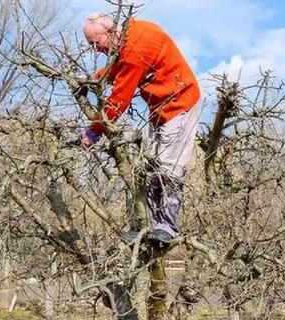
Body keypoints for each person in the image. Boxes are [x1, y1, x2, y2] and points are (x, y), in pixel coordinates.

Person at [80, 13, 203, 248]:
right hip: (161, 108)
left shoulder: (137, 46)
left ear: (109, 32)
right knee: (147, 166)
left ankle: (165, 227)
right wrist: (92, 81)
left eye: (95, 43)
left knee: (168, 168)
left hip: (181, 104)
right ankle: (145, 227)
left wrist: (94, 131)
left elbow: (118, 100)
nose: (95, 50)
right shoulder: (129, 38)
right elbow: (117, 67)